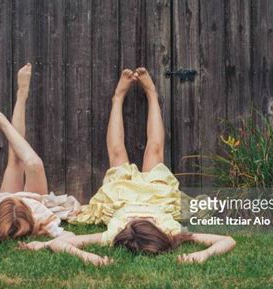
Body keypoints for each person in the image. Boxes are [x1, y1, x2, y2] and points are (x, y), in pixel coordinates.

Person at [19, 68, 236, 265]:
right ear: (159, 230)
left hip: (121, 197)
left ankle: (118, 97)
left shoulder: (112, 234)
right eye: (146, 221)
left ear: (125, 229)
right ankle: (151, 94)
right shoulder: (172, 230)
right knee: (154, 150)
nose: (139, 218)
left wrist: (87, 256)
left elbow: (60, 244)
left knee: (117, 153)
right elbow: (227, 240)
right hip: (157, 195)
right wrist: (202, 254)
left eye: (134, 222)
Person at [0, 63, 80, 247]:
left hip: (8, 202)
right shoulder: (39, 219)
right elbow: (70, 236)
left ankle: (13, 104)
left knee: (15, 158)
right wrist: (43, 244)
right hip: (32, 201)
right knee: (34, 164)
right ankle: (12, 107)